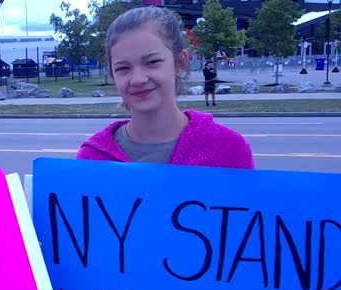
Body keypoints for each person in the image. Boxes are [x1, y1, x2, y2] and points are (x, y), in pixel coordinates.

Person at [77, 6, 254, 169]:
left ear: (180, 62)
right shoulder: (92, 159)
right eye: (123, 68)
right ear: (112, 74)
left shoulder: (229, 149)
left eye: (152, 62)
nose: (138, 79)